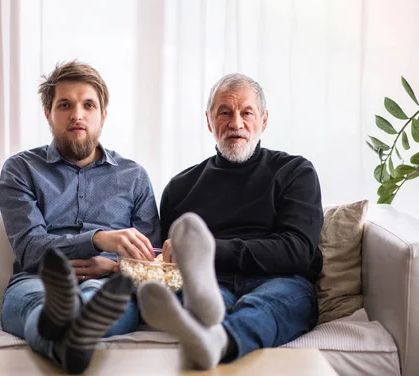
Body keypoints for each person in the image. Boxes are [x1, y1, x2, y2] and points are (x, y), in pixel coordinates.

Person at [137, 73, 323, 369]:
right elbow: (167, 258)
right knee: (203, 299)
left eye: (246, 112)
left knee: (266, 305)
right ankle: (205, 322)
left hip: (280, 279)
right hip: (208, 283)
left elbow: (297, 250)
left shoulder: (294, 171)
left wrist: (208, 250)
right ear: (209, 121)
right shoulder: (180, 187)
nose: (236, 123)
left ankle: (217, 337)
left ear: (263, 120)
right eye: (224, 112)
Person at [0, 60, 161, 374]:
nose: (77, 115)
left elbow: (150, 258)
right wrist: (98, 239)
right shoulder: (21, 170)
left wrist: (114, 265)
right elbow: (31, 249)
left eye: (88, 105)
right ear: (48, 114)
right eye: (65, 105)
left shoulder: (134, 176)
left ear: (103, 114)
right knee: (38, 303)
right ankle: (73, 336)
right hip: (36, 280)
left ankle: (68, 336)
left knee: (94, 300)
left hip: (107, 285)